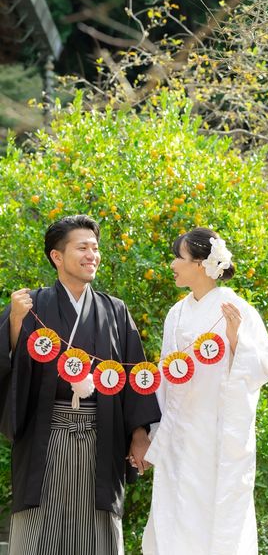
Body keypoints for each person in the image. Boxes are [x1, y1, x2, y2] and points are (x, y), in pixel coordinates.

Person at [0, 214, 161, 555]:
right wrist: (14, 321)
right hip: (47, 436)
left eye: (95, 248)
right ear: (57, 256)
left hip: (101, 438)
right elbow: (10, 364)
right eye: (83, 248)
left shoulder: (115, 310)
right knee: (38, 533)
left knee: (96, 534)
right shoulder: (30, 305)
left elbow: (135, 372)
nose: (92, 255)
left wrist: (139, 434)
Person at [142, 228, 268, 555]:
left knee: (214, 510)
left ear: (200, 264)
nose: (173, 264)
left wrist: (235, 338)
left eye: (179, 257)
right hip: (179, 430)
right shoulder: (176, 313)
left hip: (216, 431)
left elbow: (263, 366)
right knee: (175, 510)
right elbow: (166, 371)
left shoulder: (236, 307)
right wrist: (153, 429)